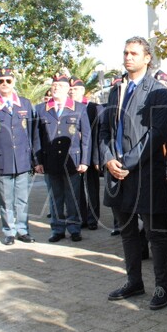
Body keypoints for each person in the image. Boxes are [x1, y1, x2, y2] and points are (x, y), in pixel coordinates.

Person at [100, 36, 167, 310]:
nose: (128, 57)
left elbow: (157, 134)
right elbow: (105, 130)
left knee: (156, 234)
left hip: (144, 174)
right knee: (127, 232)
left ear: (147, 58)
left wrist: (126, 163)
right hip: (116, 174)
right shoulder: (115, 91)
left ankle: (162, 286)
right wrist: (108, 159)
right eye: (125, 52)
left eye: (134, 53)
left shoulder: (159, 92)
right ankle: (134, 281)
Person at [0, 68, 36, 245]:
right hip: (1, 160)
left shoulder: (25, 104)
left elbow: (33, 134)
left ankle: (23, 230)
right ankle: (9, 231)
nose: (5, 84)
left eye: (8, 81)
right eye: (1, 81)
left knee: (22, 199)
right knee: (6, 200)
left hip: (22, 160)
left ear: (13, 82)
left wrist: (34, 160)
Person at [34, 72, 91, 243]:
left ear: (67, 89)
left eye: (60, 86)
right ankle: (57, 229)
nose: (56, 88)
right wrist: (37, 162)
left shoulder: (79, 108)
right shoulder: (41, 109)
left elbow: (86, 137)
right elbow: (36, 137)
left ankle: (74, 228)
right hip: (50, 161)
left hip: (72, 160)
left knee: (72, 196)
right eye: (54, 86)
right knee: (55, 197)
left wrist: (84, 161)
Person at [69, 77, 102, 231]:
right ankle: (82, 218)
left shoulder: (94, 107)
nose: (71, 92)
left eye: (75, 89)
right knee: (78, 190)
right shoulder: (69, 108)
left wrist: (96, 158)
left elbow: (97, 135)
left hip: (90, 154)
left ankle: (93, 219)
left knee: (92, 188)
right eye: (70, 89)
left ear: (82, 90)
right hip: (75, 155)